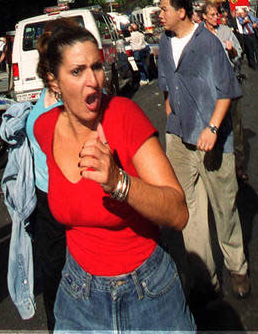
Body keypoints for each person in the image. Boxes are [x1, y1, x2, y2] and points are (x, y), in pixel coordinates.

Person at [33, 21, 194, 334]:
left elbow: (178, 212)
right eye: (77, 71)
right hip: (78, 294)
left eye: (97, 67)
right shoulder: (44, 130)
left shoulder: (123, 114)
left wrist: (118, 181)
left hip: (147, 290)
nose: (93, 81)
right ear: (54, 81)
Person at [158, 0, 250, 303]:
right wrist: (170, 120)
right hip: (179, 141)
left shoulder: (208, 43)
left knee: (225, 208)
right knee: (189, 212)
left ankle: (237, 267)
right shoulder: (164, 43)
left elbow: (227, 91)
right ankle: (205, 279)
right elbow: (166, 88)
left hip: (212, 141)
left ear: (182, 12)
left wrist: (212, 127)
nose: (160, 14)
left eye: (164, 9)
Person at [1, 21, 66, 331]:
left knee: (59, 271)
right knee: (58, 272)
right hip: (51, 201)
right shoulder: (43, 109)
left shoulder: (49, 104)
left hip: (57, 200)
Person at [201, 2, 248, 183]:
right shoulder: (199, 35)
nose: (215, 17)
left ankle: (239, 166)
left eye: (217, 14)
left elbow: (238, 55)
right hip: (210, 89)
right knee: (213, 126)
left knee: (236, 128)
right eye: (212, 14)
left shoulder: (226, 31)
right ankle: (215, 165)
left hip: (229, 85)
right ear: (204, 16)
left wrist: (232, 49)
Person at [235, 6, 258, 71]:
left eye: (242, 13)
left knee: (256, 50)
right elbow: (241, 22)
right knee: (250, 51)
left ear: (245, 13)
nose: (241, 14)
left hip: (252, 34)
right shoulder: (240, 18)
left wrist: (256, 24)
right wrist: (246, 21)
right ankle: (253, 65)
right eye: (240, 13)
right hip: (246, 36)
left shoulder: (251, 16)